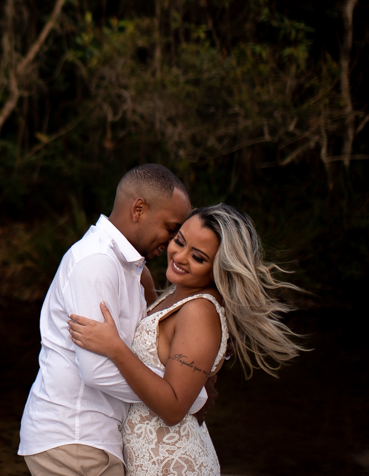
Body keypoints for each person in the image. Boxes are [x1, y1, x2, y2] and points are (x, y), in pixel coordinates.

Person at [67, 204, 306, 476]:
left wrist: (115, 348)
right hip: (147, 461)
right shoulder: (175, 294)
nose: (179, 256)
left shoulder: (200, 311)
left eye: (198, 257)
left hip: (175, 464)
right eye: (179, 241)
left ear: (219, 268)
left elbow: (173, 407)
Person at [18, 164, 208, 476]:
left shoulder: (129, 268)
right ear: (138, 209)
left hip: (91, 437)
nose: (173, 241)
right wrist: (178, 397)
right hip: (75, 436)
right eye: (171, 227)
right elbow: (95, 369)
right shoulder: (98, 262)